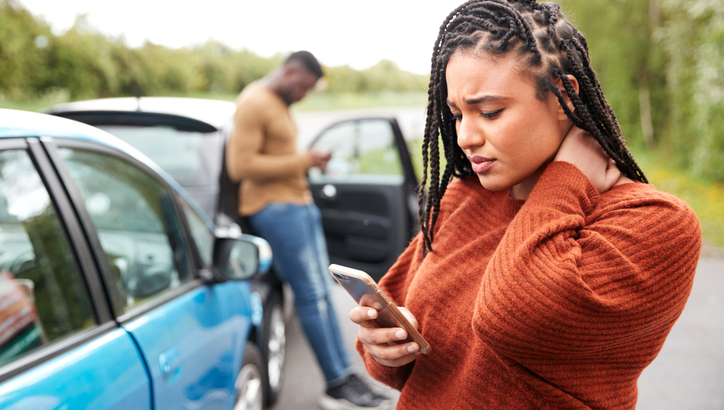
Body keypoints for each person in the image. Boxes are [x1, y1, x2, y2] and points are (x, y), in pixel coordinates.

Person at [349, 1, 702, 409]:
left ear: (563, 96)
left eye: (489, 111)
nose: (465, 136)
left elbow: (512, 319)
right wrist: (384, 349)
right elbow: (410, 366)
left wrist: (567, 178)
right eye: (457, 114)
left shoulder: (655, 223)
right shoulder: (464, 197)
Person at [226, 51, 391, 409]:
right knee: (311, 297)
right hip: (276, 210)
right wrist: (305, 160)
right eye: (302, 87)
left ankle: (347, 376)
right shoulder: (254, 102)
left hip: (298, 206)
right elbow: (241, 165)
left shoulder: (276, 102)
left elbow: (274, 156)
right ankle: (336, 383)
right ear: (289, 72)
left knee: (323, 294)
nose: (303, 95)